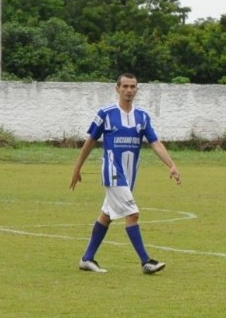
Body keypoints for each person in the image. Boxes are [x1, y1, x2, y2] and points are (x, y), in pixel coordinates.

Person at [70, 73, 181, 274]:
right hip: (112, 172)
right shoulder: (106, 113)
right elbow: (90, 142)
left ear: (137, 89)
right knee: (133, 214)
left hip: (129, 176)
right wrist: (77, 168)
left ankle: (87, 259)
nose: (129, 90)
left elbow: (155, 143)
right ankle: (146, 261)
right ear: (117, 88)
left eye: (132, 87)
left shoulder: (143, 117)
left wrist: (171, 165)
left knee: (106, 216)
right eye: (125, 86)